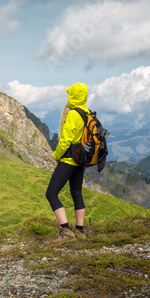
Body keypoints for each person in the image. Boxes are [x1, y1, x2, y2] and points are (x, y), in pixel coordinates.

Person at [47, 83, 90, 242]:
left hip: (68, 159)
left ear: (72, 95)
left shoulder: (73, 114)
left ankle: (66, 230)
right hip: (81, 161)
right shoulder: (87, 113)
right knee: (77, 193)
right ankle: (79, 230)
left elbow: (65, 141)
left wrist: (56, 155)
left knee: (51, 193)